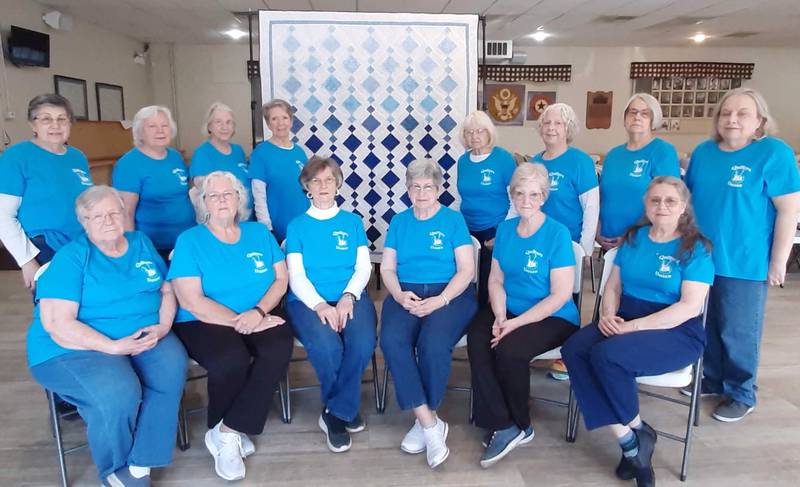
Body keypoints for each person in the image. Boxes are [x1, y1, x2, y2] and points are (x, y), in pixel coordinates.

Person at [27, 185, 187, 486]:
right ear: (83, 221)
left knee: (171, 370)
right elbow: (58, 324)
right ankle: (116, 470)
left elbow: (167, 289)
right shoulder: (72, 258)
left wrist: (164, 326)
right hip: (75, 345)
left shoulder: (140, 242)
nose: (108, 220)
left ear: (124, 213)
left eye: (114, 212)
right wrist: (112, 347)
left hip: (143, 331)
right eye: (97, 216)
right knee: (119, 394)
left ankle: (142, 463)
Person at [562, 176, 714, 487]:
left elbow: (688, 307)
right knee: (574, 348)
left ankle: (635, 446)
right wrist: (607, 314)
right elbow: (614, 286)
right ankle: (634, 437)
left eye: (670, 201)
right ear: (646, 204)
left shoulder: (696, 248)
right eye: (655, 200)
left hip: (675, 329)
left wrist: (630, 327)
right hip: (625, 314)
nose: (662, 206)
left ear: (683, 207)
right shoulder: (634, 237)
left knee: (607, 356)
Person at [169, 171, 293, 481]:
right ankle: (229, 435)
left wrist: (259, 311)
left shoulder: (259, 234)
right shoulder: (189, 241)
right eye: (214, 195)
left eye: (229, 193)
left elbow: (281, 279)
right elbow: (191, 300)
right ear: (204, 203)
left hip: (259, 312)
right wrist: (243, 320)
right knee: (231, 359)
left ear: (240, 199)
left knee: (278, 348)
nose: (222, 199)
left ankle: (226, 431)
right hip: (203, 320)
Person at [685, 88, 800, 422]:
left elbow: (788, 211)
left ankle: (742, 392)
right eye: (725, 113)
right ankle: (713, 378)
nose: (732, 119)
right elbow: (689, 201)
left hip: (745, 260)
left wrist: (779, 260)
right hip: (701, 258)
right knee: (706, 325)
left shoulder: (773, 154)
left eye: (742, 113)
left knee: (738, 330)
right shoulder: (704, 152)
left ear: (759, 121)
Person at [466, 163, 579, 468]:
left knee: (509, 349)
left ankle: (521, 424)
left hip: (553, 316)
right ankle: (503, 424)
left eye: (534, 194)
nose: (526, 200)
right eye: (520, 193)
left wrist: (514, 324)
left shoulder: (557, 233)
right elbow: (496, 279)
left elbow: (560, 295)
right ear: (511, 195)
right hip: (509, 307)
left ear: (544, 196)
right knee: (478, 337)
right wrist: (501, 315)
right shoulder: (504, 229)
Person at [379, 159, 478, 468]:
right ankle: (430, 423)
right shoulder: (398, 221)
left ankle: (425, 419)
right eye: (415, 187)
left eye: (428, 187)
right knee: (392, 340)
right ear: (407, 189)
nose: (421, 193)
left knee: (433, 343)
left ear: (439, 189)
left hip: (451, 292)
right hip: (405, 290)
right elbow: (387, 267)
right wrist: (397, 294)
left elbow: (466, 270)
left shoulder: (453, 220)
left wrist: (442, 299)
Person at [285, 156, 377, 453]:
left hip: (351, 296)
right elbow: (296, 275)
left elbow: (364, 268)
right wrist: (321, 306)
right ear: (307, 187)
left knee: (363, 342)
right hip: (307, 301)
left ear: (337, 184)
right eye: (316, 181)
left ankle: (334, 410)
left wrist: (349, 296)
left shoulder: (352, 222)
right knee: (328, 346)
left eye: (328, 180)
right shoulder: (296, 226)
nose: (323, 186)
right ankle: (343, 412)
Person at [0, 93, 93, 290]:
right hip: (44, 247)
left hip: (81, 244)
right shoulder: (16, 157)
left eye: (62, 119)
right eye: (46, 119)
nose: (55, 125)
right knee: (57, 310)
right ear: (33, 125)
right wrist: (26, 260)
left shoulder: (78, 157)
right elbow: (3, 216)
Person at [597, 93, 680, 250]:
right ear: (625, 118)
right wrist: (598, 230)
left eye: (644, 113)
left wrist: (632, 236)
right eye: (633, 112)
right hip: (608, 241)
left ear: (652, 120)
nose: (637, 117)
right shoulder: (614, 155)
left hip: (644, 242)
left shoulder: (663, 151)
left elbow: (667, 202)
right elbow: (602, 196)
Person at [112, 105, 194, 261]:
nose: (160, 131)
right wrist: (132, 251)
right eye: (152, 126)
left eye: (164, 126)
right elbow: (126, 212)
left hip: (185, 242)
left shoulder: (175, 157)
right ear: (140, 132)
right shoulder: (129, 164)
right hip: (154, 248)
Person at [456, 110, 517, 307]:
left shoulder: (503, 158)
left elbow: (515, 199)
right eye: (469, 132)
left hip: (495, 228)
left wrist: (502, 232)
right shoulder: (463, 162)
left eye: (479, 131)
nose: (474, 136)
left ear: (489, 132)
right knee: (466, 277)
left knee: (489, 281)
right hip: (467, 228)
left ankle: (486, 317)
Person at [529, 102, 599, 258]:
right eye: (547, 123)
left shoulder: (581, 162)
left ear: (568, 128)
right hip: (537, 241)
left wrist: (585, 250)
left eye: (558, 123)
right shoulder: (533, 163)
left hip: (569, 243)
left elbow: (591, 209)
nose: (551, 128)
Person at [249, 99, 310, 242]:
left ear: (291, 121)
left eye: (284, 117)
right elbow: (259, 195)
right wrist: (267, 228)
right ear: (269, 124)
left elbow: (309, 190)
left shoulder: (299, 152)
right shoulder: (261, 153)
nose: (280, 123)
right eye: (274, 119)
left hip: (303, 225)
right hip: (278, 229)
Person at [190, 102, 252, 215]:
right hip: (222, 222)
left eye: (229, 122)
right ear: (209, 127)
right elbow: (203, 190)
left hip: (246, 218)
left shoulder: (238, 150)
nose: (225, 127)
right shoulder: (203, 153)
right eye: (219, 122)